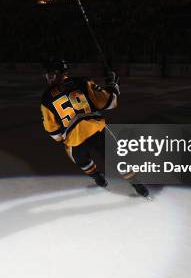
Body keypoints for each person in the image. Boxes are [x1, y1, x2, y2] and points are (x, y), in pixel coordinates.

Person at [40, 58, 149, 198]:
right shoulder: (83, 82)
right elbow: (110, 102)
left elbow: (54, 133)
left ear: (59, 73)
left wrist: (67, 132)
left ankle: (97, 177)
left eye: (51, 74)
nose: (49, 78)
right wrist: (113, 85)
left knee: (80, 159)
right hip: (97, 130)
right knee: (117, 158)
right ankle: (138, 185)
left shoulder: (46, 99)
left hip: (76, 140)